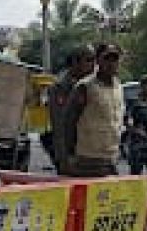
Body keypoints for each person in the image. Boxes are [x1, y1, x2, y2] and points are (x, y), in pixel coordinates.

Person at [65, 45, 125, 177]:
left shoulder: (118, 86)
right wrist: (69, 154)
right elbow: (69, 121)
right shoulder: (85, 87)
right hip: (88, 158)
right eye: (107, 59)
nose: (111, 63)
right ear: (98, 60)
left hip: (111, 157)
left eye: (115, 59)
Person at [46, 45, 94, 175]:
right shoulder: (60, 87)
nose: (93, 65)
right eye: (89, 60)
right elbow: (60, 124)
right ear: (75, 62)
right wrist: (65, 157)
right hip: (71, 153)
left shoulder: (90, 84)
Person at [125, 74, 147, 176]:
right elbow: (127, 121)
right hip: (138, 145)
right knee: (135, 176)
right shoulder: (134, 102)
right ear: (142, 86)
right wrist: (135, 130)